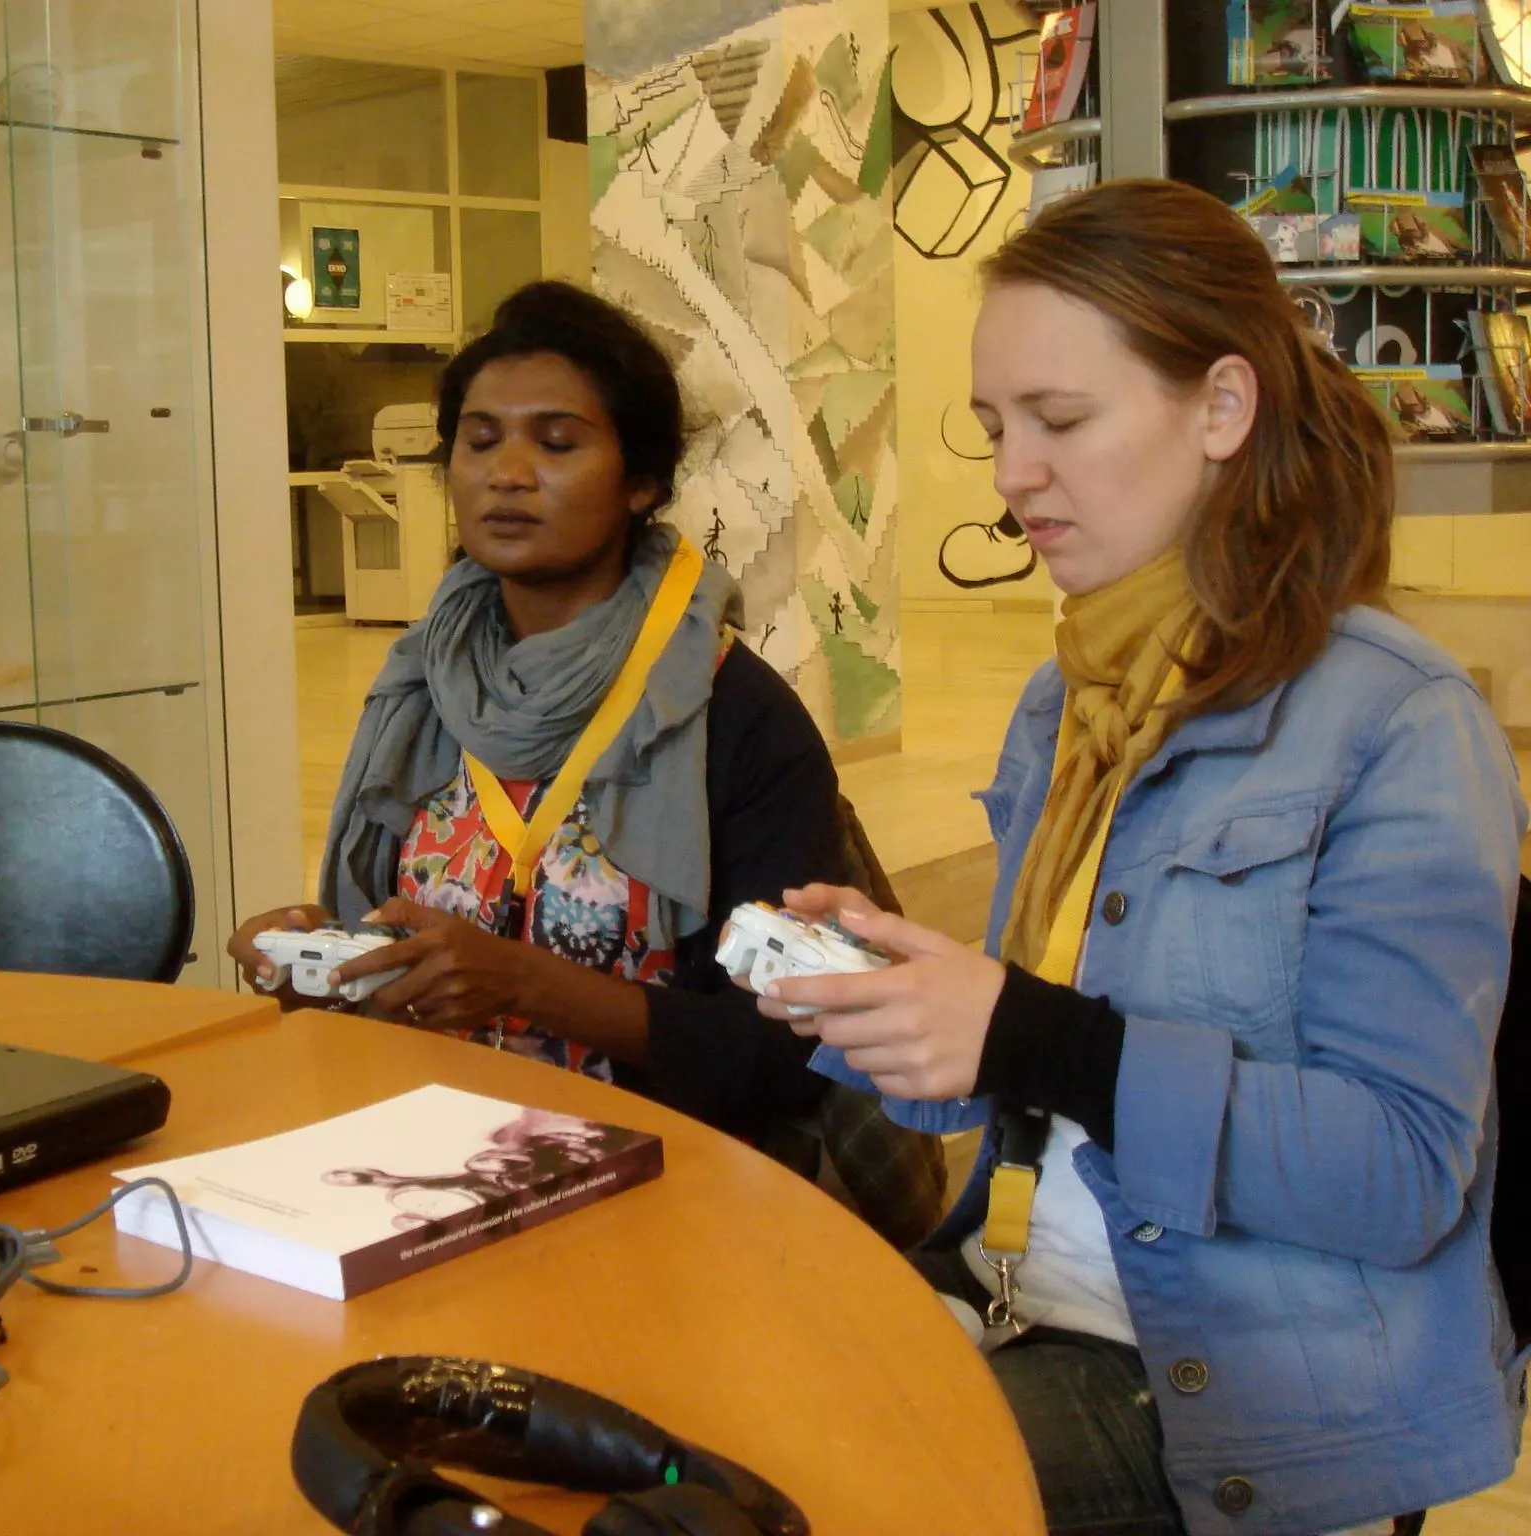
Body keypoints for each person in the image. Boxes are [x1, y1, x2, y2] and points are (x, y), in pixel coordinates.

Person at [750, 180, 1527, 1535]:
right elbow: (1016, 1091)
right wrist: (890, 1003)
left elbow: (1400, 1174)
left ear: (1223, 410)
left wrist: (1039, 1040)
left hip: (1237, 1387)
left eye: (1060, 421)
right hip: (1014, 1288)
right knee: (672, 1429)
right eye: (996, 429)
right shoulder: (1074, 695)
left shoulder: (1397, 724)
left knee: (814, 1497)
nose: (1010, 477)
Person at [228, 281, 911, 1174]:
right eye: (478, 442)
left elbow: (787, 1057)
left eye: (555, 443)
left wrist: (532, 988)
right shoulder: (424, 687)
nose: (507, 473)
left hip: (670, 1184)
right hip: (420, 1159)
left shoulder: (731, 716)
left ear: (641, 482)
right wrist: (330, 964)